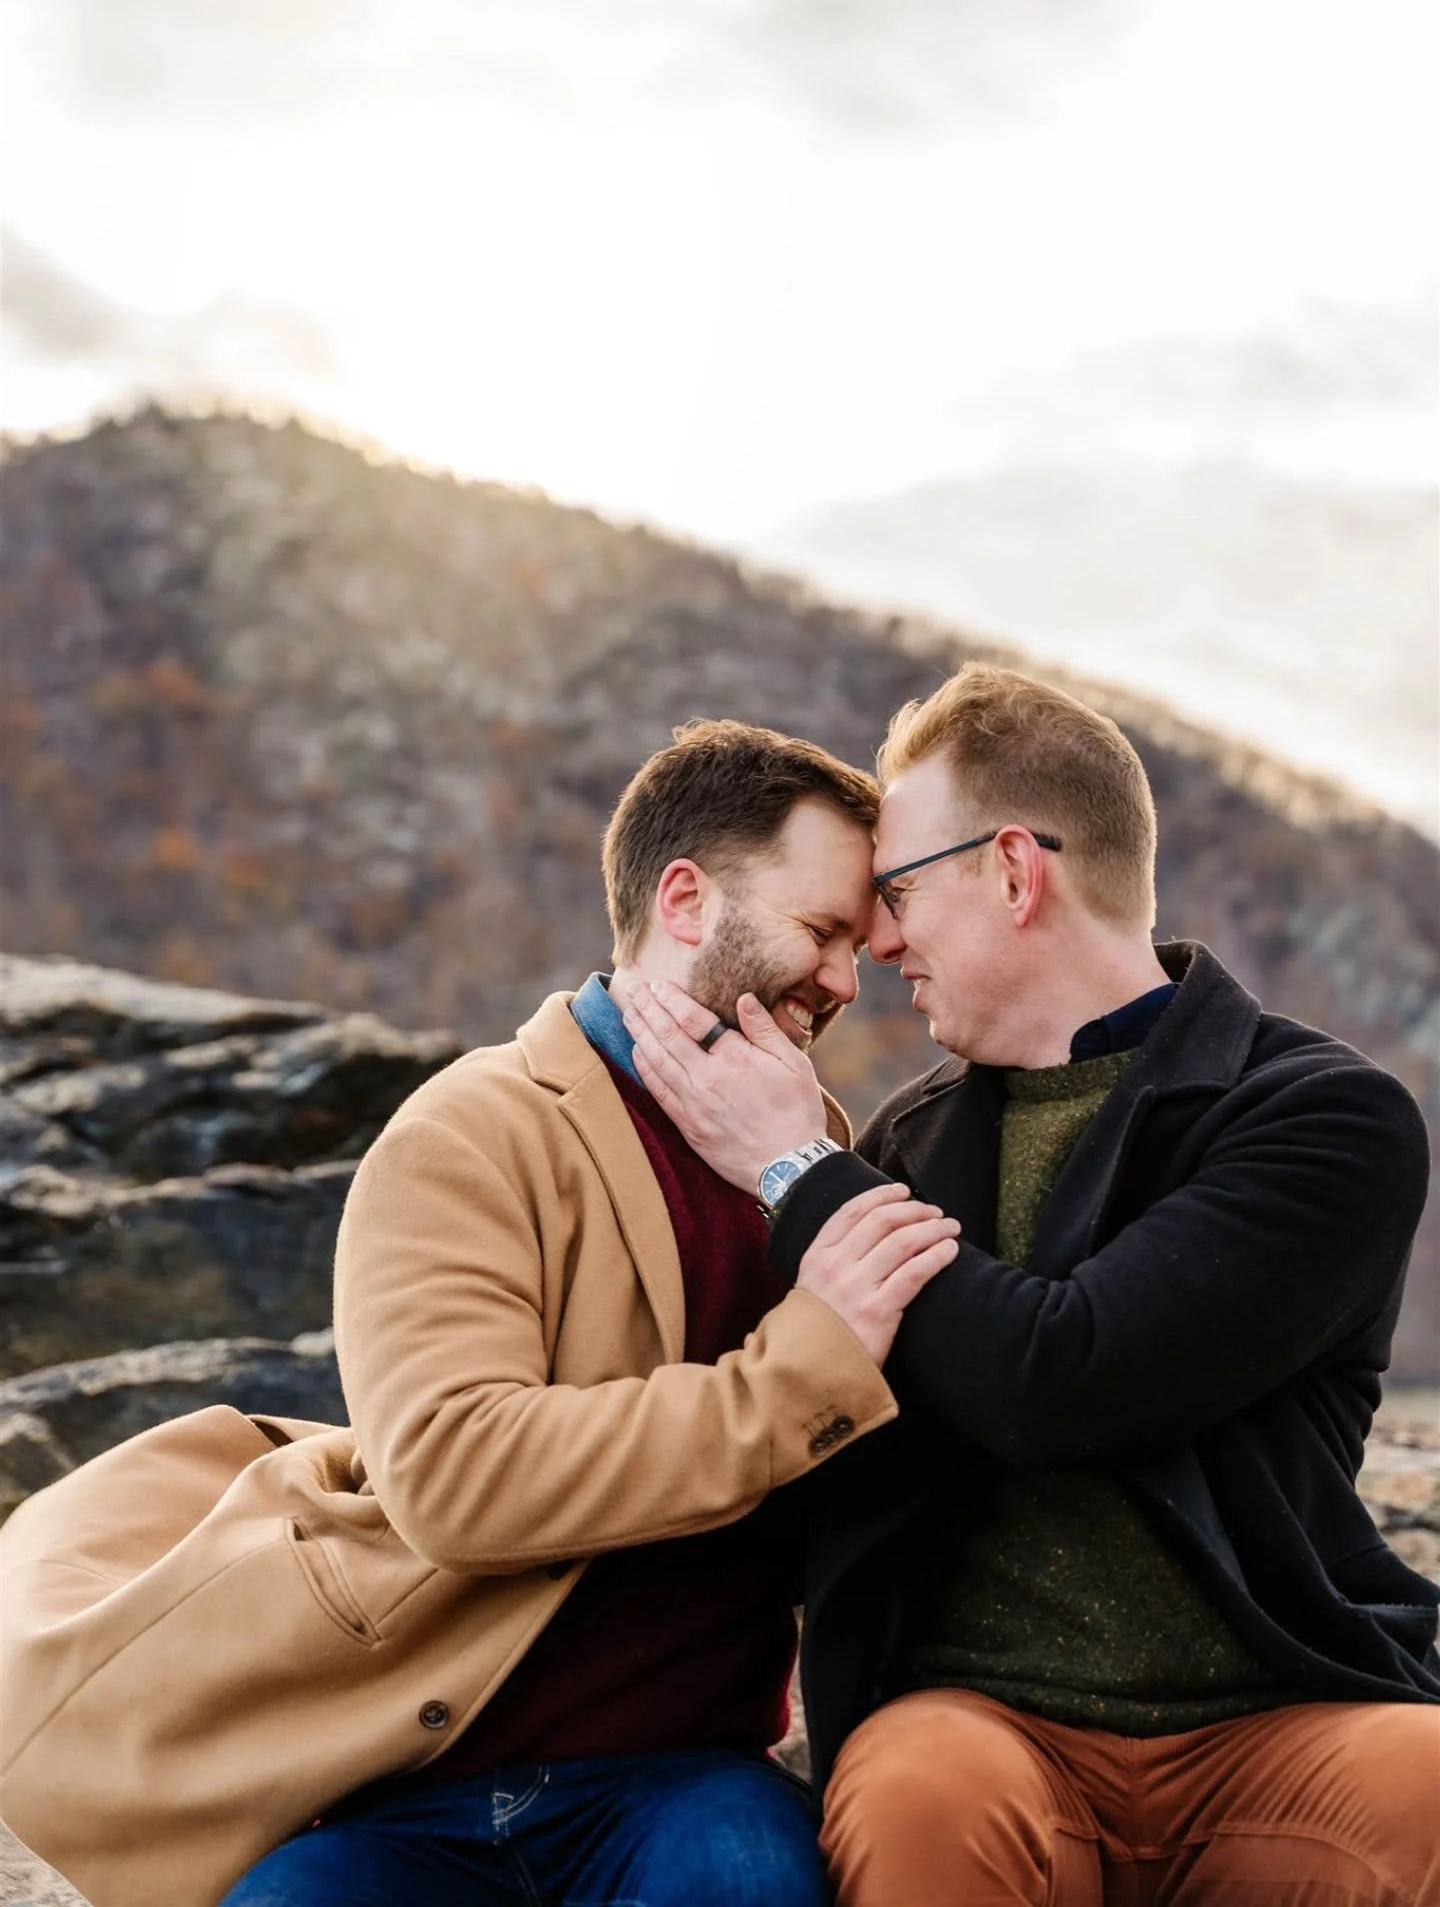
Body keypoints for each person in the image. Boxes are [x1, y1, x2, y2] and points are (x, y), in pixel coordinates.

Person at [625, 666, 1440, 1906]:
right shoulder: (904, 1147)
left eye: (896, 895)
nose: (881, 942)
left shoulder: (1323, 1119)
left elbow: (1070, 1378)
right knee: (912, 1799)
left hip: (1279, 1724)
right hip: (983, 1732)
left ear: (1013, 871)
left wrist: (795, 1168)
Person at [219, 720, 959, 1907]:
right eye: (822, 931)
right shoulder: (472, 1132)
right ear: (684, 897)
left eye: (856, 951)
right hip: (411, 1792)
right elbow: (457, 1474)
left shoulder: (812, 1155)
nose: (841, 979)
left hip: (684, 1784)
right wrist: (794, 1380)